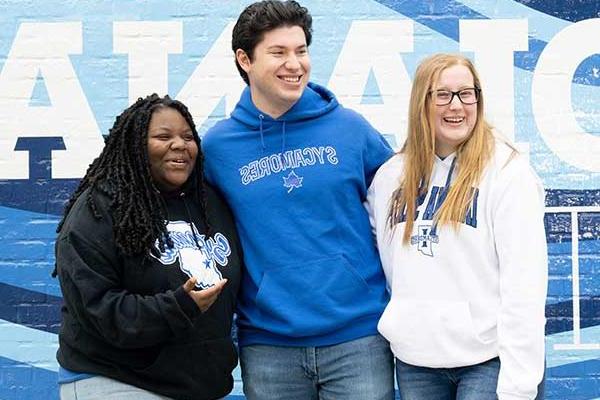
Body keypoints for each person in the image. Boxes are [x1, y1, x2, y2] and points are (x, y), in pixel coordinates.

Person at [201, 1, 395, 399]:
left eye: (301, 50)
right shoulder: (219, 149)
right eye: (278, 52)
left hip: (359, 337)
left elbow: (403, 210)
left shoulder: (351, 130)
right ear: (245, 60)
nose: (295, 63)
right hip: (269, 345)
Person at [366, 53, 548, 400]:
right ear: (422, 101)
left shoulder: (507, 173)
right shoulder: (391, 177)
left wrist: (519, 386)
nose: (457, 105)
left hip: (489, 359)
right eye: (443, 94)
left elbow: (524, 284)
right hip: (416, 361)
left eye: (467, 93)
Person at [54, 94, 242, 400]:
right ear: (135, 145)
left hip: (195, 388)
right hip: (118, 380)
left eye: (188, 136)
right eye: (163, 136)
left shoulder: (209, 204)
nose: (180, 145)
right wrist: (178, 307)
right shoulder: (100, 209)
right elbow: (98, 308)